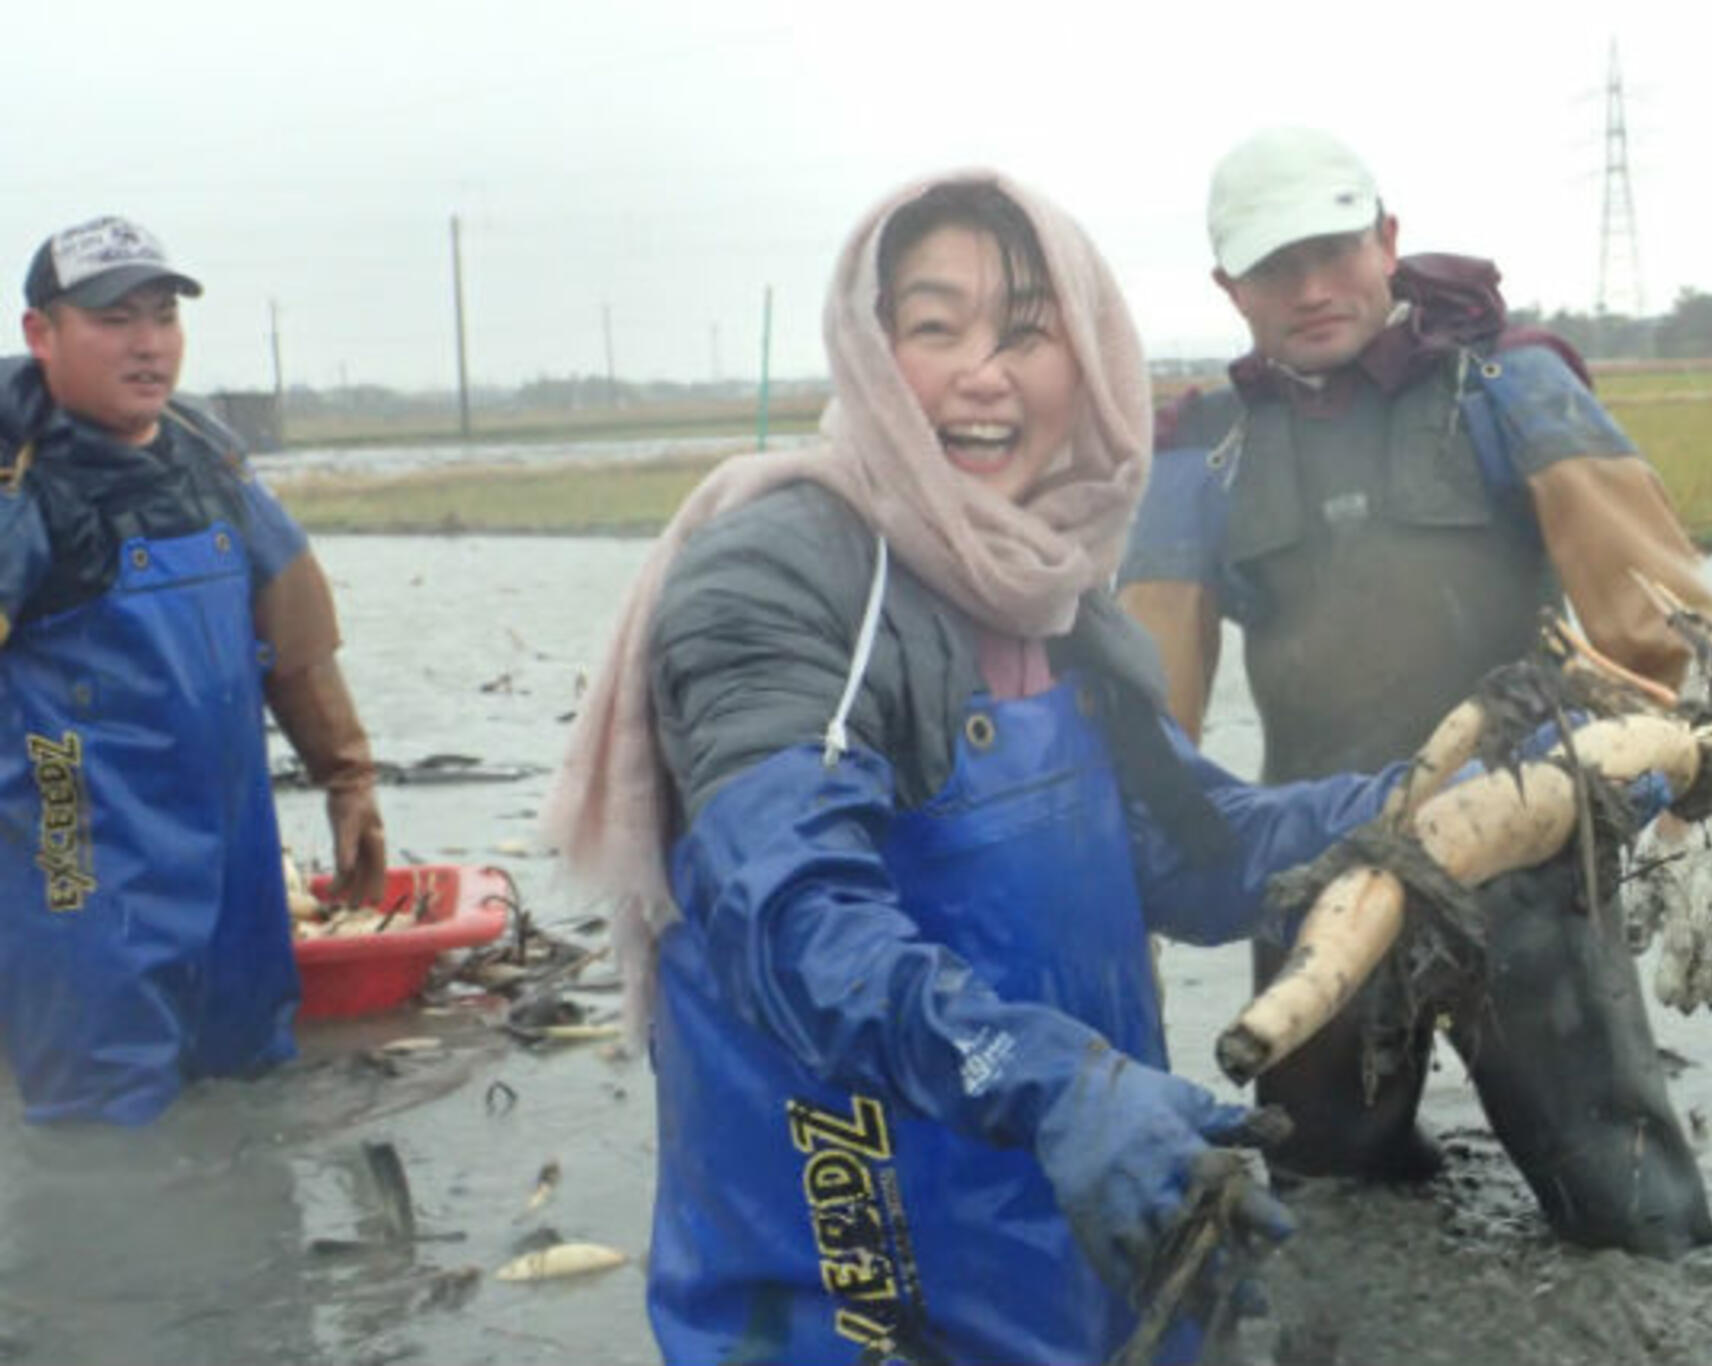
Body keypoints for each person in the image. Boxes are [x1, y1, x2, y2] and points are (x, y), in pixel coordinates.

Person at [543, 172, 1641, 1365]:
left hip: (1079, 1252)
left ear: (1088, 356)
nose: (984, 372)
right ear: (867, 351)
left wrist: (1463, 800)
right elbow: (790, 919)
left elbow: (1205, 849)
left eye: (1028, 330)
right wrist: (1043, 1080)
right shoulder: (776, 577)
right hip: (856, 1278)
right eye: (933, 326)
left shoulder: (1057, 598)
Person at [1117, 127, 1712, 1255]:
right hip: (1316, 877)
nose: (1310, 289)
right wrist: (1129, 887)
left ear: (1387, 241)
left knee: (1634, 1213)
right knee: (1323, 1207)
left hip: (1529, 864)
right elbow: (1145, 719)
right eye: (1272, 267)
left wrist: (1663, 776)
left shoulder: (1509, 386)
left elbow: (1655, 626)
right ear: (1228, 288)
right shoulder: (1198, 449)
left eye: (1333, 251)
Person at [0, 215, 386, 1125]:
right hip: (78, 866)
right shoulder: (18, 485)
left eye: (163, 315)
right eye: (113, 318)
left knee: (252, 1082)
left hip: (235, 855)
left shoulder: (208, 457)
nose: (148, 345)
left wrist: (348, 778)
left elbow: (293, 631)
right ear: (40, 335)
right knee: (103, 1121)